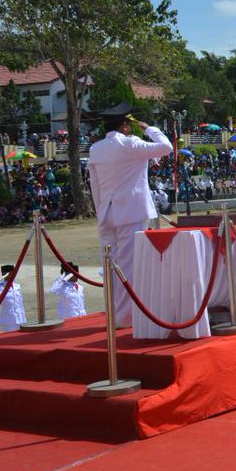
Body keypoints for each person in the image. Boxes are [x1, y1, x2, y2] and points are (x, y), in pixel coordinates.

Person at [86, 102, 173, 327]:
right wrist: (149, 128)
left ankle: (114, 313)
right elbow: (166, 147)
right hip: (131, 212)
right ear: (125, 125)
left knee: (110, 265)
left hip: (107, 211)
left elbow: (94, 185)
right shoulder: (130, 143)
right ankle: (125, 317)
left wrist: (100, 211)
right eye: (129, 124)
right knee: (128, 266)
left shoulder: (96, 149)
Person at [0, 265, 26, 332]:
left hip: (20, 318)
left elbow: (19, 303)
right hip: (8, 320)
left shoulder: (17, 286)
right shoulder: (1, 287)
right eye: (8, 274)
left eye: (12, 273)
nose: (11, 275)